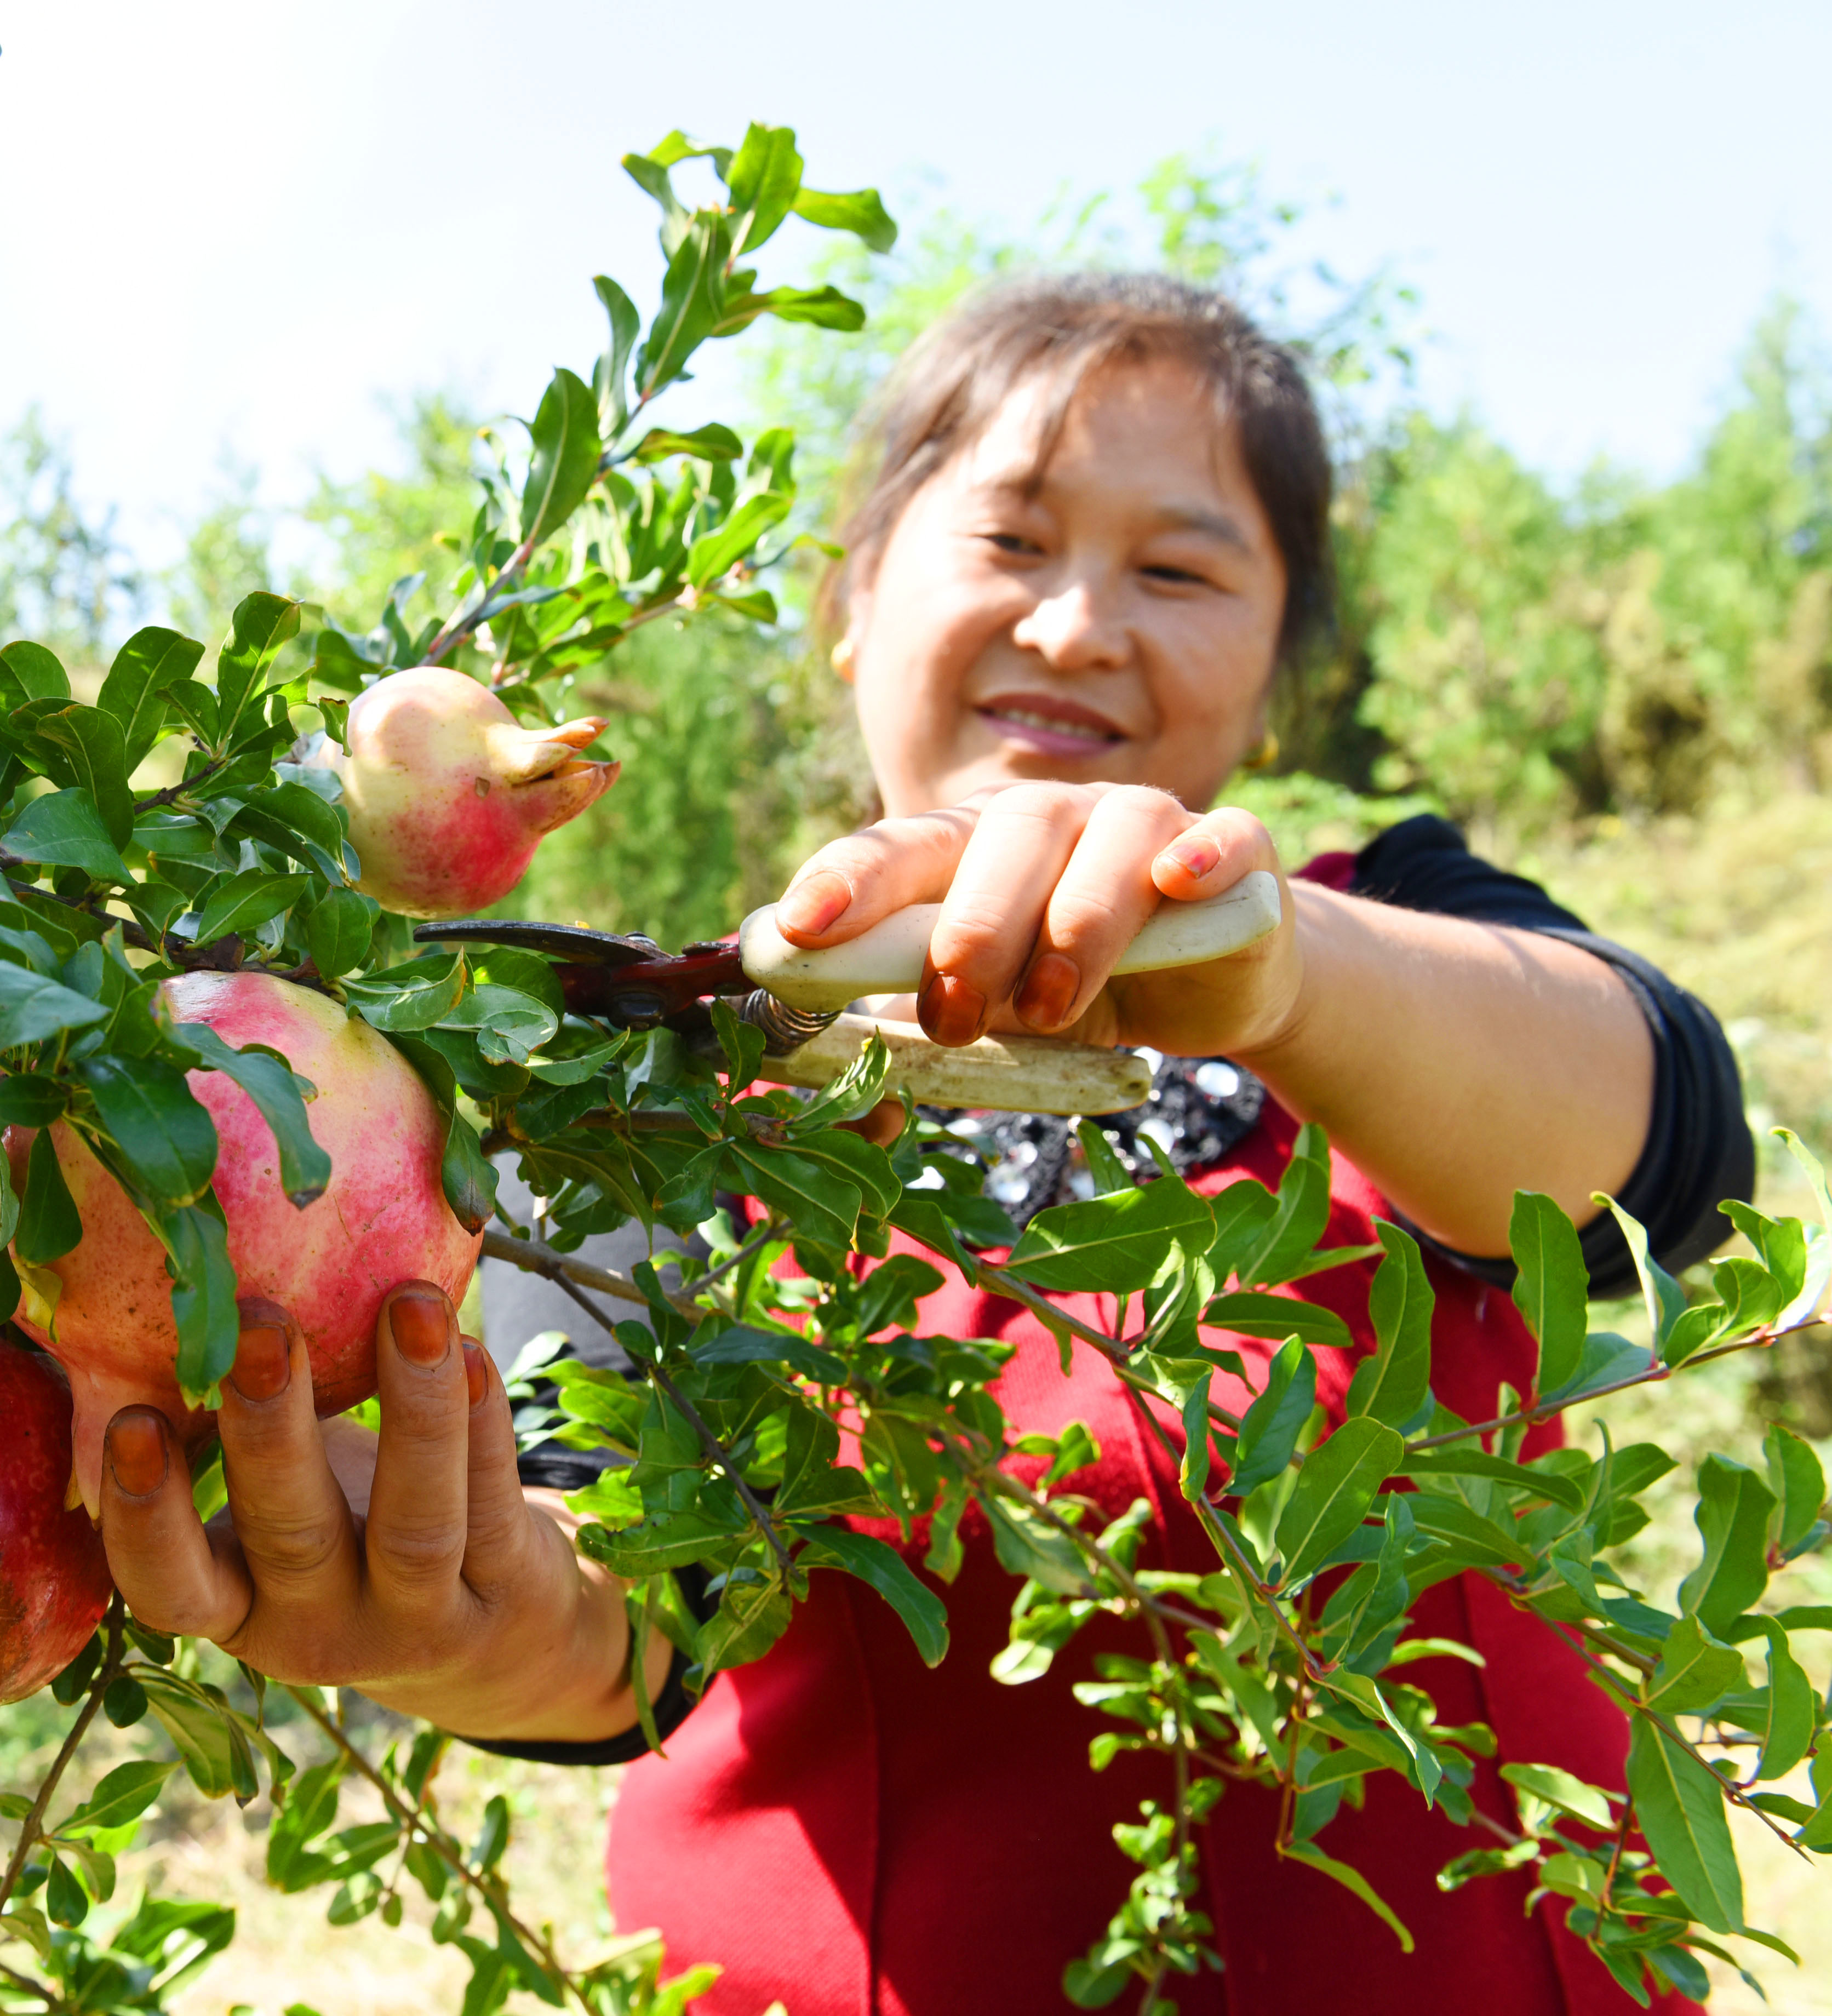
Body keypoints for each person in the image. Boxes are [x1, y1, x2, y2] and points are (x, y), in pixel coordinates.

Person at [93, 273, 1756, 2014]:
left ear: (1278, 670)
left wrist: (1282, 969)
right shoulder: (647, 1093)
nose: (1073, 627)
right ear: (852, 604)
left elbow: (1660, 1151)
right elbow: (622, 1634)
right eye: (1011, 541)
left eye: (1180, 571)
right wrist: (440, 1613)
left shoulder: (1396, 936)